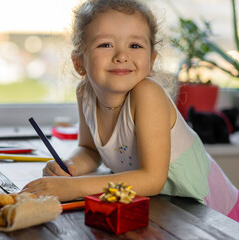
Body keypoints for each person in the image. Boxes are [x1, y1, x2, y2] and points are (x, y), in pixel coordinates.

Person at [22, 0, 239, 222]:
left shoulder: (147, 93)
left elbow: (152, 179)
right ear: (79, 62)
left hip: (213, 212)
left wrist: (72, 187)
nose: (121, 56)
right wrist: (69, 167)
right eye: (105, 44)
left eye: (135, 46)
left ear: (151, 60)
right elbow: (90, 150)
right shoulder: (85, 93)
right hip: (163, 210)